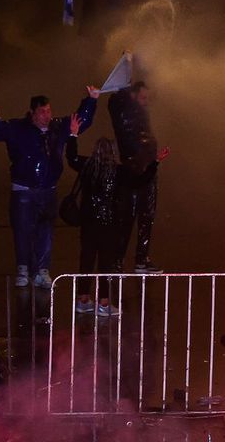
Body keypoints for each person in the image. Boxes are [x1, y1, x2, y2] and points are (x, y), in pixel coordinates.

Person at [0, 89, 98, 288]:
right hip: (23, 191)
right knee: (23, 231)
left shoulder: (58, 127)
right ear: (32, 113)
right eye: (42, 112)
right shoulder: (16, 128)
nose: (47, 116)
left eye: (49, 111)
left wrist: (91, 100)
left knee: (46, 231)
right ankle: (23, 269)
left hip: (48, 190)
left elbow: (82, 120)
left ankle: (42, 270)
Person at [64, 112, 169, 316]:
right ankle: (103, 303)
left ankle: (83, 299)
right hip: (109, 224)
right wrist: (156, 162)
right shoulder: (118, 171)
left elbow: (71, 157)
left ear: (95, 151)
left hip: (88, 222)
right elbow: (141, 180)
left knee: (86, 259)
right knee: (106, 263)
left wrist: (73, 135)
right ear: (112, 152)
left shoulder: (87, 166)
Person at [107, 81, 163, 273]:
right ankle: (116, 261)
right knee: (126, 218)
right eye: (142, 98)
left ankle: (141, 260)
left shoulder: (141, 115)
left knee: (147, 217)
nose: (145, 102)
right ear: (133, 97)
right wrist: (124, 77)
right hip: (132, 172)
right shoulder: (124, 113)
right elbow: (115, 103)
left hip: (148, 171)